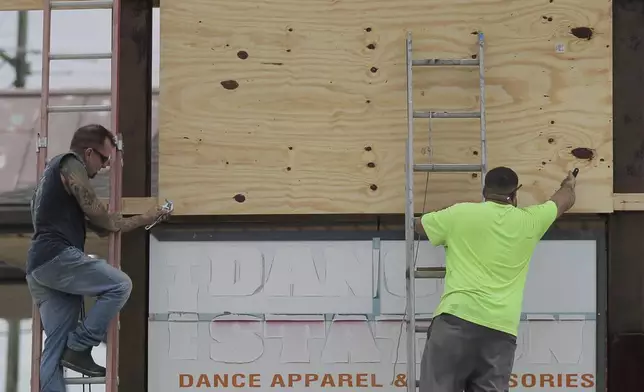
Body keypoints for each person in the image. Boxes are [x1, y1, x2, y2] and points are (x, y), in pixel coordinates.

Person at [25, 124, 172, 392]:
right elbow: (100, 214)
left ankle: (73, 352)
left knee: (54, 352)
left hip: (38, 267)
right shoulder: (70, 163)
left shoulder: (50, 181)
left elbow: (105, 227)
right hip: (57, 257)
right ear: (89, 152)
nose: (105, 166)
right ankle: (81, 345)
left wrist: (147, 217)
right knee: (120, 285)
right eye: (104, 159)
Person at [416, 166, 577, 392]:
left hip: (456, 321)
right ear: (515, 194)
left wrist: (449, 217)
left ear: (484, 191)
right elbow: (563, 201)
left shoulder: (460, 213)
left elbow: (420, 225)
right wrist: (568, 184)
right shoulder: (530, 221)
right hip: (500, 331)